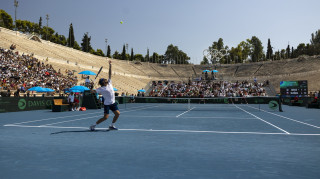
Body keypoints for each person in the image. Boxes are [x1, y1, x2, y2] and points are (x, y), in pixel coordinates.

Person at [90, 60, 120, 131]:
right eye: (104, 80)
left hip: (113, 103)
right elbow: (92, 91)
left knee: (117, 114)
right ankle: (93, 125)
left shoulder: (109, 83)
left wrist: (110, 65)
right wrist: (91, 87)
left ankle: (111, 125)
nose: (106, 80)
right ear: (102, 82)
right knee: (105, 117)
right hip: (107, 104)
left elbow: (110, 74)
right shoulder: (100, 89)